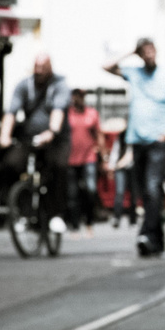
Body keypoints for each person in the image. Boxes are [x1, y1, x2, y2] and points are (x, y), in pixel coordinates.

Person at [104, 39, 165, 257]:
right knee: (146, 191)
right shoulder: (134, 73)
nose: (148, 55)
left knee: (151, 188)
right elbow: (106, 66)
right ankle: (157, 240)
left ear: (156, 52)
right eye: (144, 52)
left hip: (157, 141)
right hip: (137, 140)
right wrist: (131, 51)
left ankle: (147, 234)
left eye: (151, 50)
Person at [0, 53, 72, 236]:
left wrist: (52, 132)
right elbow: (11, 112)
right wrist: (4, 135)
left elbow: (58, 111)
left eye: (42, 68)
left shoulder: (60, 85)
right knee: (11, 164)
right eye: (36, 68)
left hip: (55, 137)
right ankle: (22, 212)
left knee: (58, 167)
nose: (38, 72)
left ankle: (56, 214)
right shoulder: (24, 85)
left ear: (50, 68)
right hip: (29, 136)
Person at [67, 89, 103, 237]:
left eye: (80, 96)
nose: (77, 99)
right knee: (72, 194)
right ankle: (75, 226)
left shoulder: (92, 113)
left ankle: (89, 222)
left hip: (89, 157)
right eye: (75, 96)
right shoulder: (67, 114)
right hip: (70, 158)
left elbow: (99, 134)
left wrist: (102, 152)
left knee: (90, 190)